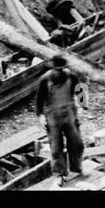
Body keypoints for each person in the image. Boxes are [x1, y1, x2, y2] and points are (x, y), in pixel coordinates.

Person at [35, 55, 85, 185]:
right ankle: (60, 173)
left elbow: (80, 89)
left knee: (77, 143)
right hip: (52, 115)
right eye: (57, 70)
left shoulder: (70, 76)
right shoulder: (45, 79)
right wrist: (40, 116)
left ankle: (76, 167)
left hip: (69, 113)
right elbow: (39, 100)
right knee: (56, 147)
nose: (59, 72)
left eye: (61, 69)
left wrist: (81, 106)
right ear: (52, 69)